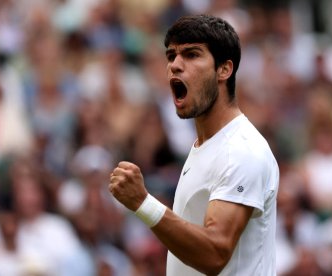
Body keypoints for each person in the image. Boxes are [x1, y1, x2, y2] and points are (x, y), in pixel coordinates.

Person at [109, 14, 279, 276]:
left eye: (191, 54)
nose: (175, 65)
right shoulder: (205, 144)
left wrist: (143, 203)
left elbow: (214, 253)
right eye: (171, 56)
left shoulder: (242, 150)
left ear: (224, 69)